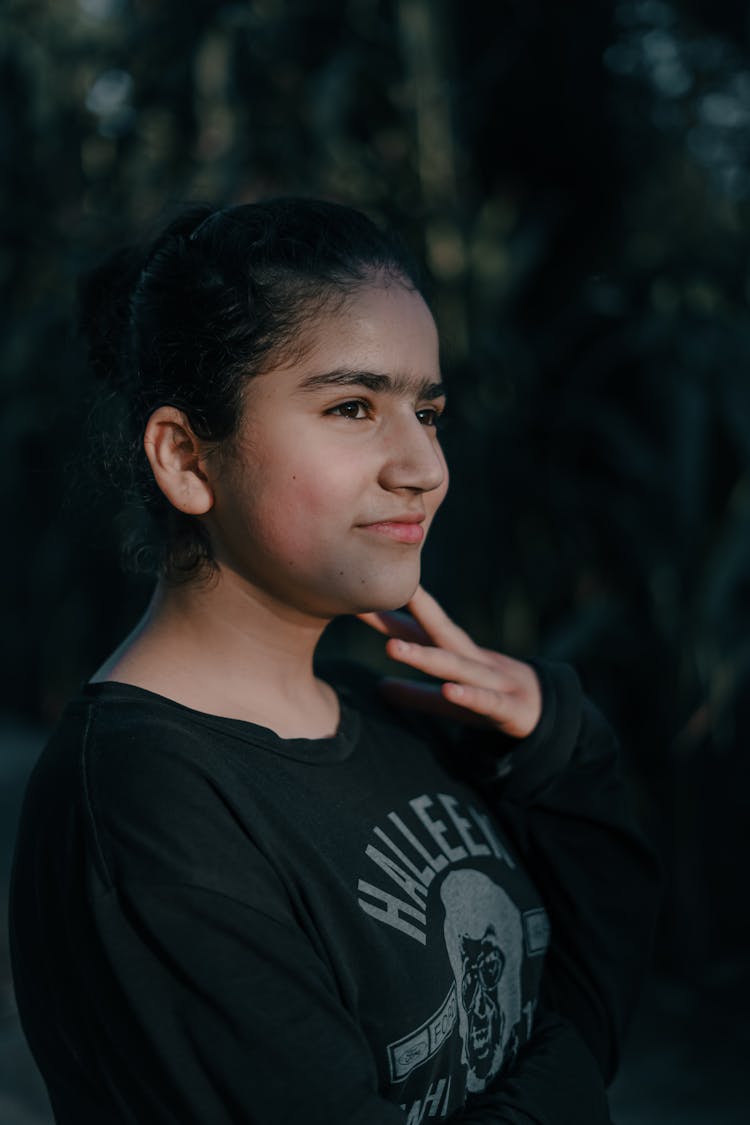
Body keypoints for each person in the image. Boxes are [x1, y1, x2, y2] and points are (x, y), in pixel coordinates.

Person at [10, 198, 660, 1124]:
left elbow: (601, 981)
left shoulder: (398, 714)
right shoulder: (146, 807)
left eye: (427, 409)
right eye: (353, 406)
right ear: (186, 457)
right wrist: (572, 1070)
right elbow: (584, 1038)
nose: (423, 466)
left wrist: (561, 747)